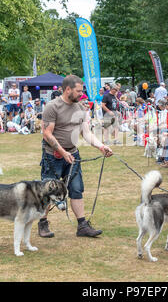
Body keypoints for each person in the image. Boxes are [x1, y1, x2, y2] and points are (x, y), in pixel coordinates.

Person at [39, 75, 113, 238]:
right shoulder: (53, 106)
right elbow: (47, 134)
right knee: (48, 190)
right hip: (53, 156)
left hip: (72, 154)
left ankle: (82, 226)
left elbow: (86, 133)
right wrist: (62, 152)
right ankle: (42, 223)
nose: (81, 94)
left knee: (77, 189)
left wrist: (101, 146)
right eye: (78, 91)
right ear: (68, 90)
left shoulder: (80, 108)